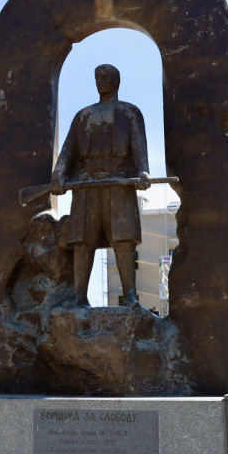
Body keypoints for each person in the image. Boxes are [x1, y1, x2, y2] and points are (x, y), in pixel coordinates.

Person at [50, 64, 150, 305]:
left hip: (119, 182)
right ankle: (78, 296)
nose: (101, 80)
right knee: (82, 240)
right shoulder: (83, 115)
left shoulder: (129, 112)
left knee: (123, 238)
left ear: (116, 80)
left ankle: (130, 297)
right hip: (86, 185)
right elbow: (67, 150)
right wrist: (58, 175)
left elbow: (139, 147)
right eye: (97, 77)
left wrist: (143, 172)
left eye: (106, 77)